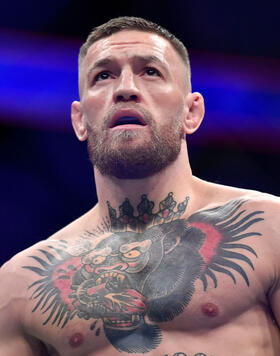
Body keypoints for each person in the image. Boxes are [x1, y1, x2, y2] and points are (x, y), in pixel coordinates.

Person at [0, 16, 279, 356]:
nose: (125, 88)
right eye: (103, 76)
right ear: (79, 120)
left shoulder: (271, 228)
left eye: (150, 71)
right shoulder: (20, 285)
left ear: (191, 112)